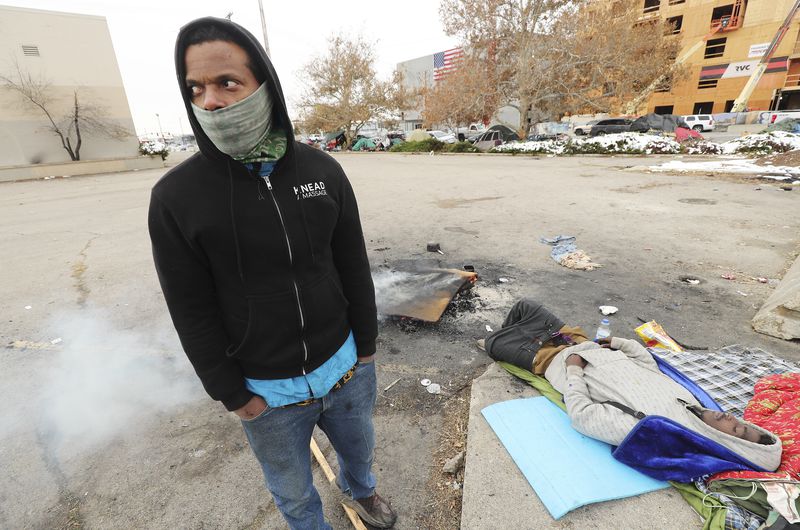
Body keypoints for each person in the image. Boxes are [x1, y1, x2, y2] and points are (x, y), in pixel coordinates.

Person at [148, 17, 396, 529]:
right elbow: (189, 308)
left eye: (227, 82)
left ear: (265, 85)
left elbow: (351, 262)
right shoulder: (176, 198)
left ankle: (362, 494)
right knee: (292, 491)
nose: (210, 100)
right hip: (267, 393)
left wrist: (366, 347)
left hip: (346, 368)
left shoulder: (320, 170)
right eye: (195, 88)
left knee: (360, 453)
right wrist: (234, 395)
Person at [480, 300, 782, 476]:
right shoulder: (691, 401)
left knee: (493, 343)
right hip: (583, 342)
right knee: (525, 307)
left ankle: (518, 342)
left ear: (724, 443)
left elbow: (582, 416)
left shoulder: (656, 430)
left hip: (555, 360)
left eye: (738, 431)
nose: (732, 418)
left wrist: (573, 368)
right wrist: (621, 344)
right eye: (742, 423)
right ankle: (520, 336)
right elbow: (650, 366)